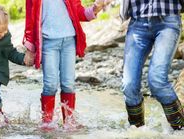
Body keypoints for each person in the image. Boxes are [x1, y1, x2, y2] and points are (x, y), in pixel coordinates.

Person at [22, 0, 111, 130]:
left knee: (68, 84)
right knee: (50, 84)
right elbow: (30, 19)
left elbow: (78, 11)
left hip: (69, 41)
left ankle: (69, 122)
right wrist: (30, 48)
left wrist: (95, 9)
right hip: (48, 42)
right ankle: (47, 122)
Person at [120, 0, 184, 130]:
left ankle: (180, 128)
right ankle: (137, 131)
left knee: (157, 81)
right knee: (129, 85)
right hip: (137, 23)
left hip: (168, 21)